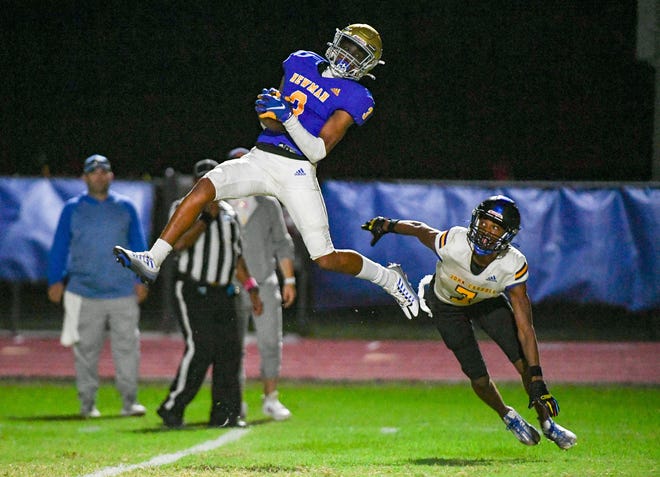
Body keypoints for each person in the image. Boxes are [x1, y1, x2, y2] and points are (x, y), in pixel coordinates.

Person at [113, 23, 420, 321]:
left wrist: (287, 118)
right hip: (261, 157)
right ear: (336, 41)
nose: (347, 55)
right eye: (347, 46)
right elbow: (271, 124)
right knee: (205, 187)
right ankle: (152, 258)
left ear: (368, 64)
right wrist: (268, 114)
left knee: (325, 257)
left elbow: (317, 151)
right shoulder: (301, 63)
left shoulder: (356, 96)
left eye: (358, 53)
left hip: (298, 170)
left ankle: (388, 278)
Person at [361, 195, 577, 450]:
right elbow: (421, 230)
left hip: (488, 303)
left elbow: (525, 327)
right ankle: (507, 415)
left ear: (507, 235)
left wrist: (538, 377)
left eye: (496, 228)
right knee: (478, 377)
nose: (487, 232)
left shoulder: (512, 263)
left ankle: (547, 423)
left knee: (526, 368)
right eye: (484, 224)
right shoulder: (454, 242)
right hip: (446, 306)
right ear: (475, 221)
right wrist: (387, 224)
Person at [156, 159, 263, 429]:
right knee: (200, 348)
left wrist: (251, 287)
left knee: (229, 353)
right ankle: (172, 407)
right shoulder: (184, 207)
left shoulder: (229, 212)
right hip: (193, 288)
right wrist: (205, 218)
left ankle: (225, 414)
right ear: (195, 182)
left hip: (224, 292)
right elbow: (178, 244)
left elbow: (235, 256)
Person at [47, 154, 148, 418]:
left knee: (127, 349)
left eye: (104, 171)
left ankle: (129, 402)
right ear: (85, 177)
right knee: (86, 351)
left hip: (122, 291)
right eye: (94, 172)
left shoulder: (126, 207)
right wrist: (54, 279)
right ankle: (87, 404)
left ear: (111, 176)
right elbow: (59, 246)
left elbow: (138, 246)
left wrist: (142, 279)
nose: (99, 176)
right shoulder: (72, 208)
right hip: (84, 290)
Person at [226, 146, 297, 421]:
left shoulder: (268, 204)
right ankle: (236, 401)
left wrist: (288, 278)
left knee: (270, 343)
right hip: (230, 287)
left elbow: (282, 243)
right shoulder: (219, 202)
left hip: (266, 283)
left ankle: (270, 398)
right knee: (233, 347)